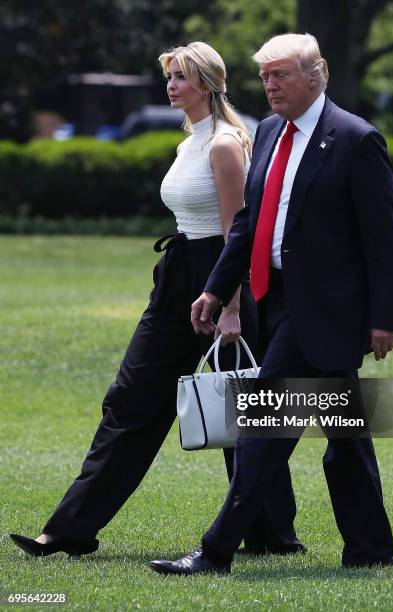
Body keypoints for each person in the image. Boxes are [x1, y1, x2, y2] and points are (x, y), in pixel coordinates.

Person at [9, 41, 303, 558]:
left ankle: (272, 534)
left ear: (208, 84)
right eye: (169, 76)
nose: (171, 86)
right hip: (178, 278)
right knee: (133, 401)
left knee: (242, 412)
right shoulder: (188, 140)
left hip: (221, 277)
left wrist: (231, 308)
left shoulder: (225, 144)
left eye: (182, 77)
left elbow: (241, 231)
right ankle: (69, 530)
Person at [149, 33, 393, 576]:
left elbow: (384, 239)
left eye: (281, 75)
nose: (270, 86)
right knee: (345, 437)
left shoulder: (355, 139)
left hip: (329, 310)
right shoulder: (266, 132)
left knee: (264, 424)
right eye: (265, 76)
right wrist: (217, 289)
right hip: (276, 299)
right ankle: (371, 552)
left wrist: (386, 318)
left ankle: (216, 549)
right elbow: (246, 224)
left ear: (317, 74)